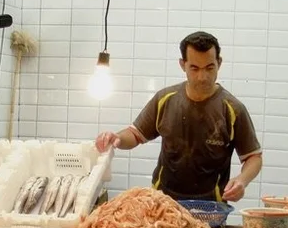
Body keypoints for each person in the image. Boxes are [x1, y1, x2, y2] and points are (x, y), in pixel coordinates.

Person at [95, 31, 263, 202]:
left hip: (210, 209)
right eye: (194, 68)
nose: (202, 77)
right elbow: (135, 134)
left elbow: (253, 157)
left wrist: (242, 180)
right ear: (183, 64)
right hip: (163, 204)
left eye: (209, 68)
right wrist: (116, 138)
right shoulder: (165, 99)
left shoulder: (232, 109)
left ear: (219, 63)